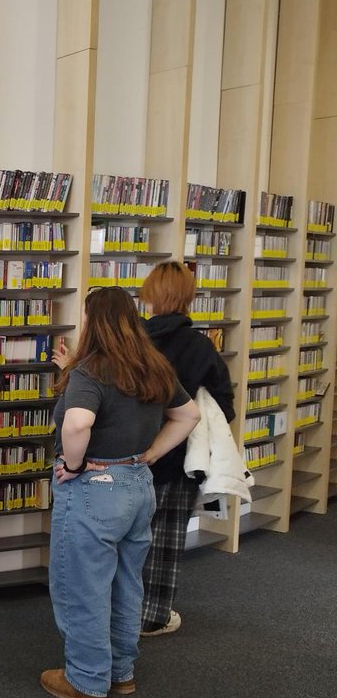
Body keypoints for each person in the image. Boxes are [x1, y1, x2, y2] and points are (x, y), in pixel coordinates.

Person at [42, 286, 200, 698]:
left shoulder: (93, 370)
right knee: (126, 583)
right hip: (137, 485)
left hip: (95, 490)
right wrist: (149, 453)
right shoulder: (151, 365)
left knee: (83, 588)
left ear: (93, 321)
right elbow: (189, 415)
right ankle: (120, 673)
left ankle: (87, 683)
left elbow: (77, 425)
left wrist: (74, 466)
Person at [136, 262, 236, 636]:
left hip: (129, 456)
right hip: (178, 457)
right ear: (188, 298)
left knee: (125, 538)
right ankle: (152, 616)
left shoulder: (132, 340)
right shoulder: (199, 345)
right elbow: (223, 405)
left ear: (149, 295)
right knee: (166, 539)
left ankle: (118, 610)